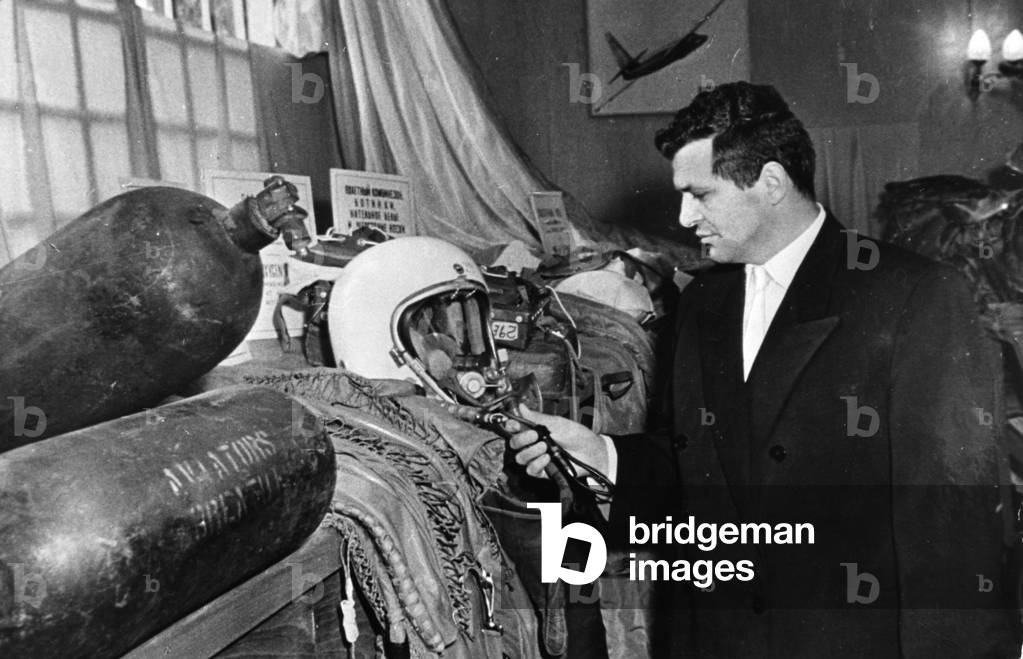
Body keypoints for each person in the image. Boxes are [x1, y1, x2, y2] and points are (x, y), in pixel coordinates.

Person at [511, 81, 1019, 657]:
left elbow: (954, 526)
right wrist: (600, 455)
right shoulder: (704, 302)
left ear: (772, 183)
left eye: (700, 194)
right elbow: (700, 478)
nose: (683, 216)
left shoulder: (912, 295)